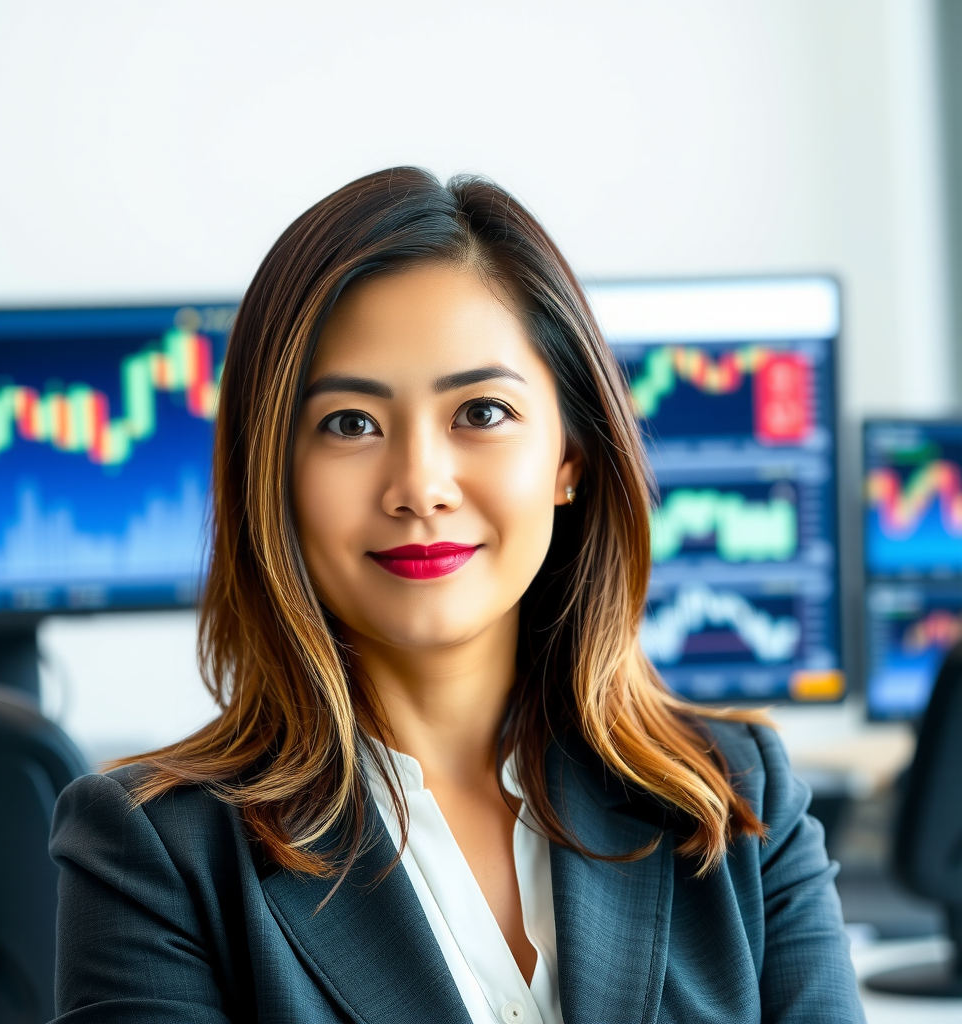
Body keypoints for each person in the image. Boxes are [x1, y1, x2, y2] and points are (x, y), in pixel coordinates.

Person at [50, 167, 865, 1024]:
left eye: (480, 412)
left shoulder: (738, 801)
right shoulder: (154, 853)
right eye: (350, 424)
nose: (419, 486)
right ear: (274, 476)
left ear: (569, 458)